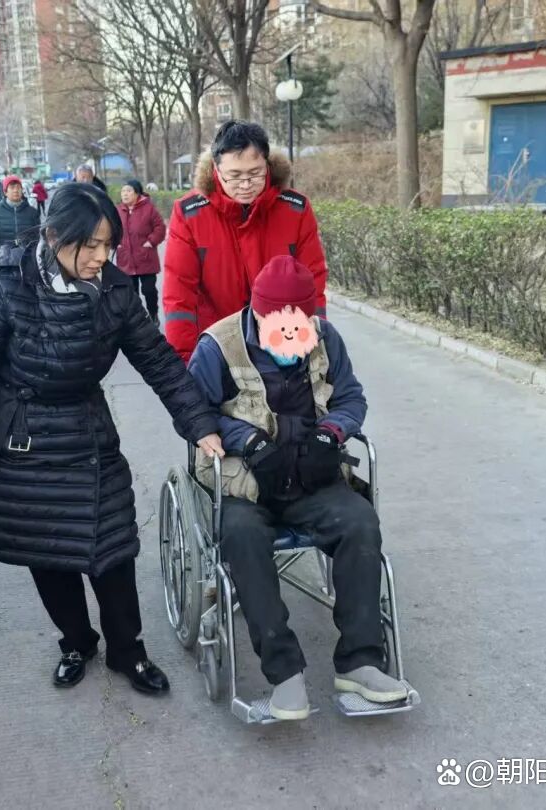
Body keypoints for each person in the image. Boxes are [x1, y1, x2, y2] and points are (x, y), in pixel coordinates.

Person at [0, 183, 224, 696]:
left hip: (87, 433)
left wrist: (199, 422)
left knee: (113, 549)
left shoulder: (115, 292)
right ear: (54, 236)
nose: (102, 257)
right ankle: (76, 642)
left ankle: (128, 651)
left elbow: (158, 360)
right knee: (46, 551)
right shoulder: (3, 286)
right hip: (22, 440)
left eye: (108, 245)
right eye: (91, 245)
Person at [187, 255, 408, 721]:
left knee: (360, 522)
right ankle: (284, 673)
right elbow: (194, 414)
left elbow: (351, 397)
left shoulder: (326, 339)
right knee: (242, 537)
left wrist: (331, 433)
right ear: (258, 313)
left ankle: (361, 663)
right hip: (247, 482)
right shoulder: (218, 347)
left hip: (311, 477)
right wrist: (246, 441)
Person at [163, 120, 329, 363]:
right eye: (234, 176)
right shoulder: (190, 215)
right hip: (216, 346)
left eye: (254, 174)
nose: (245, 185)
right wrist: (185, 361)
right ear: (216, 169)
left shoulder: (295, 210)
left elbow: (313, 283)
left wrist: (315, 347)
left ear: (267, 165)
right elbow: (179, 295)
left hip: (284, 346)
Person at [116, 179, 166, 325]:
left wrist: (151, 242)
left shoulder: (149, 208)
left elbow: (160, 228)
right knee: (132, 293)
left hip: (145, 257)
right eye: (123, 191)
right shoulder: (118, 210)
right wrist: (116, 242)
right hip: (126, 259)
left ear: (137, 193)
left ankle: (153, 314)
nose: (125, 194)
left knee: (149, 290)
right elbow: (112, 228)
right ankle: (137, 320)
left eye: (128, 191)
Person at [0, 175, 40, 258]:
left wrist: (33, 255)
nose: (16, 190)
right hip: (4, 258)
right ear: (5, 192)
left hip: (27, 257)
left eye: (18, 187)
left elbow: (37, 236)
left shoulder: (32, 212)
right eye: (12, 188)